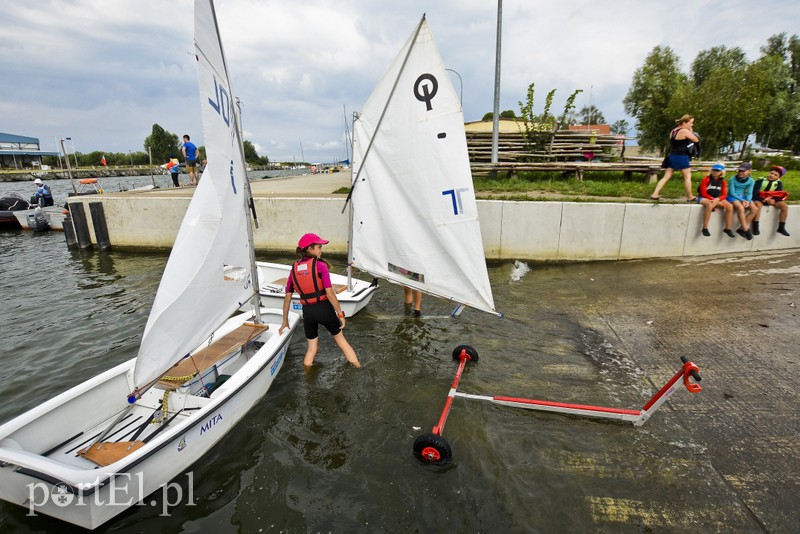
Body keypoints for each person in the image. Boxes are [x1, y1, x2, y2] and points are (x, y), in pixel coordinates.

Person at [278, 233, 361, 369]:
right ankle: (358, 368)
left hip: (308, 313)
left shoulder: (294, 268)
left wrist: (285, 321)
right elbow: (329, 293)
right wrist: (340, 314)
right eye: (319, 247)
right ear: (310, 249)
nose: (321, 250)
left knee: (311, 349)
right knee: (342, 342)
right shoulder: (320, 265)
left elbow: (287, 297)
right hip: (324, 309)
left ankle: (307, 374)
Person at [650, 115, 700, 201]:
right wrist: (691, 130)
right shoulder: (684, 131)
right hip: (682, 156)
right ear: (684, 123)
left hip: (672, 156)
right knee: (687, 177)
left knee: (666, 176)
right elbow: (696, 140)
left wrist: (689, 129)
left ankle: (655, 193)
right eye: (691, 123)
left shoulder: (673, 131)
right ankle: (690, 196)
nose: (691, 125)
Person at [752, 165, 790, 236]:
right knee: (758, 206)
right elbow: (755, 192)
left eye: (775, 175)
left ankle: (781, 227)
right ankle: (755, 225)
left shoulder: (778, 183)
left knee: (784, 207)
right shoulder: (760, 180)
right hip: (759, 198)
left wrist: (773, 200)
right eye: (771, 173)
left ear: (779, 177)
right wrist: (763, 199)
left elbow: (778, 194)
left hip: (770, 199)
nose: (772, 175)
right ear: (769, 172)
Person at [698, 164, 734, 238]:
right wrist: (713, 199)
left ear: (721, 172)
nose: (715, 172)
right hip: (704, 198)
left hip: (716, 198)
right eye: (714, 170)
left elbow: (724, 194)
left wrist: (717, 199)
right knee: (709, 205)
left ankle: (728, 228)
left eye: (717, 171)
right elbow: (703, 193)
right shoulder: (706, 179)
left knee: (729, 206)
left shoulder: (722, 182)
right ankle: (705, 228)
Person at [727, 162, 755, 240]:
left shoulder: (751, 181)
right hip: (733, 196)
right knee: (740, 208)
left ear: (749, 171)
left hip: (743, 196)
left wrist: (748, 201)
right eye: (739, 171)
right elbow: (732, 192)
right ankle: (746, 229)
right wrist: (742, 200)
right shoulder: (732, 179)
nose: (740, 172)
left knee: (754, 209)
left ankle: (741, 229)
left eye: (743, 171)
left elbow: (749, 193)